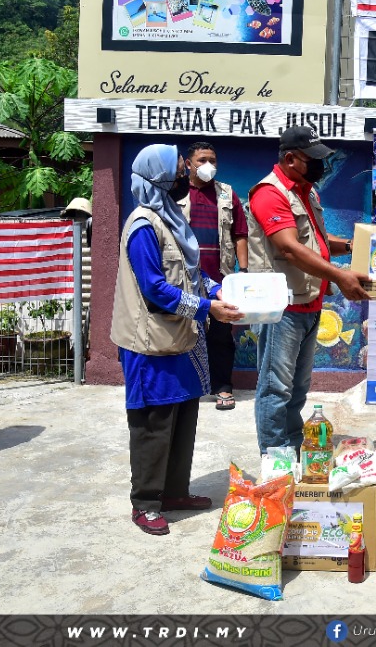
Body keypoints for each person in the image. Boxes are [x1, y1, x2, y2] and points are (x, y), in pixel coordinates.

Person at [110, 144, 243, 535]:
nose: (186, 173)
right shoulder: (142, 225)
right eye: (179, 167)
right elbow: (153, 287)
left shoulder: (171, 219)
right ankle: (146, 503)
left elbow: (190, 274)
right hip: (150, 340)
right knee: (154, 421)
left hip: (178, 337)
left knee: (184, 415)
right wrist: (206, 309)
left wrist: (217, 290)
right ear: (158, 176)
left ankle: (175, 491)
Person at [248, 126, 369, 454]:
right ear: (290, 159)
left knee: (297, 390)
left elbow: (314, 242)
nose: (320, 166)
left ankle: (291, 448)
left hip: (309, 303)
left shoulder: (307, 192)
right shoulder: (269, 193)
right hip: (283, 307)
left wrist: (354, 246)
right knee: (275, 390)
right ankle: (274, 459)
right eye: (312, 159)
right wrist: (340, 276)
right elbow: (289, 248)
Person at [176, 142, 249, 410]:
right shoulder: (176, 193)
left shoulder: (227, 194)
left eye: (213, 160)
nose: (209, 165)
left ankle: (223, 387)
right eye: (203, 159)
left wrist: (244, 271)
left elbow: (240, 234)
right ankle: (186, 388)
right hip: (184, 278)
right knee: (184, 331)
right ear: (188, 163)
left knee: (221, 334)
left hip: (221, 279)